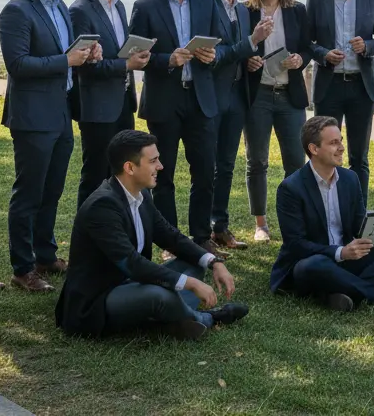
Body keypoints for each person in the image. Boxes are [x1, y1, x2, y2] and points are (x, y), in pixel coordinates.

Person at [56, 130, 249, 340]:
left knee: (195, 263)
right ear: (129, 167)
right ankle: (207, 318)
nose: (160, 167)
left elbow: (170, 236)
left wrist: (214, 262)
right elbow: (132, 263)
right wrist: (190, 284)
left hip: (135, 283)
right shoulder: (102, 206)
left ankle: (169, 319)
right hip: (99, 298)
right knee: (159, 296)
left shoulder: (141, 193)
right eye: (154, 161)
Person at [0, 0, 100, 292]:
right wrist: (66, 61)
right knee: (29, 192)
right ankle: (22, 267)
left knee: (53, 189)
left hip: (60, 112)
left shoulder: (59, 6)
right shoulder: (16, 10)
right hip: (32, 115)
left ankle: (45, 255)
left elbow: (67, 52)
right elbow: (17, 64)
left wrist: (87, 52)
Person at [129, 0, 229, 255]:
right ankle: (170, 242)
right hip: (164, 101)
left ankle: (201, 238)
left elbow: (222, 46)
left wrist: (213, 56)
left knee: (205, 173)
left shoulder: (206, 3)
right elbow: (135, 55)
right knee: (163, 174)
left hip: (201, 100)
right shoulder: (145, 7)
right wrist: (167, 60)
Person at [269, 116, 374, 311]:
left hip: (346, 260)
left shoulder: (350, 179)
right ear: (314, 149)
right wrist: (340, 252)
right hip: (310, 262)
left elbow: (357, 226)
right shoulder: (291, 188)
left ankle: (333, 293)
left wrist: (370, 232)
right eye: (333, 143)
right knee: (313, 265)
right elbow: (296, 245)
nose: (341, 148)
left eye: (341, 141)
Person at [69, 0, 149, 211]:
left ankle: (115, 229)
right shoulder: (80, 10)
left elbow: (115, 51)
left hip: (123, 103)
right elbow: (85, 66)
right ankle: (86, 237)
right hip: (96, 107)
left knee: (122, 175)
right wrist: (127, 64)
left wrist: (134, 55)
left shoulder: (119, 5)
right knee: (94, 175)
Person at [306, 0, 374, 202]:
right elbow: (307, 43)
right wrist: (323, 54)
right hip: (328, 86)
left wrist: (367, 45)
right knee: (326, 154)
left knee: (358, 157)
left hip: (361, 86)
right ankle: (328, 207)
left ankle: (357, 210)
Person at [243, 0, 313, 243]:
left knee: (296, 162)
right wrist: (248, 61)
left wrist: (300, 59)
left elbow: (308, 47)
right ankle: (261, 224)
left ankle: (292, 221)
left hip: (290, 96)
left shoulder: (296, 10)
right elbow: (239, 48)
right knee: (256, 161)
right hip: (257, 95)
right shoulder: (245, 11)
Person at [207, 0, 273, 249]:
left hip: (237, 94)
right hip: (211, 96)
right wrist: (252, 42)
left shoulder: (244, 11)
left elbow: (239, 52)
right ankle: (201, 230)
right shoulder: (204, 5)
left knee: (227, 164)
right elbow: (212, 55)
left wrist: (251, 60)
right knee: (205, 164)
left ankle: (220, 227)